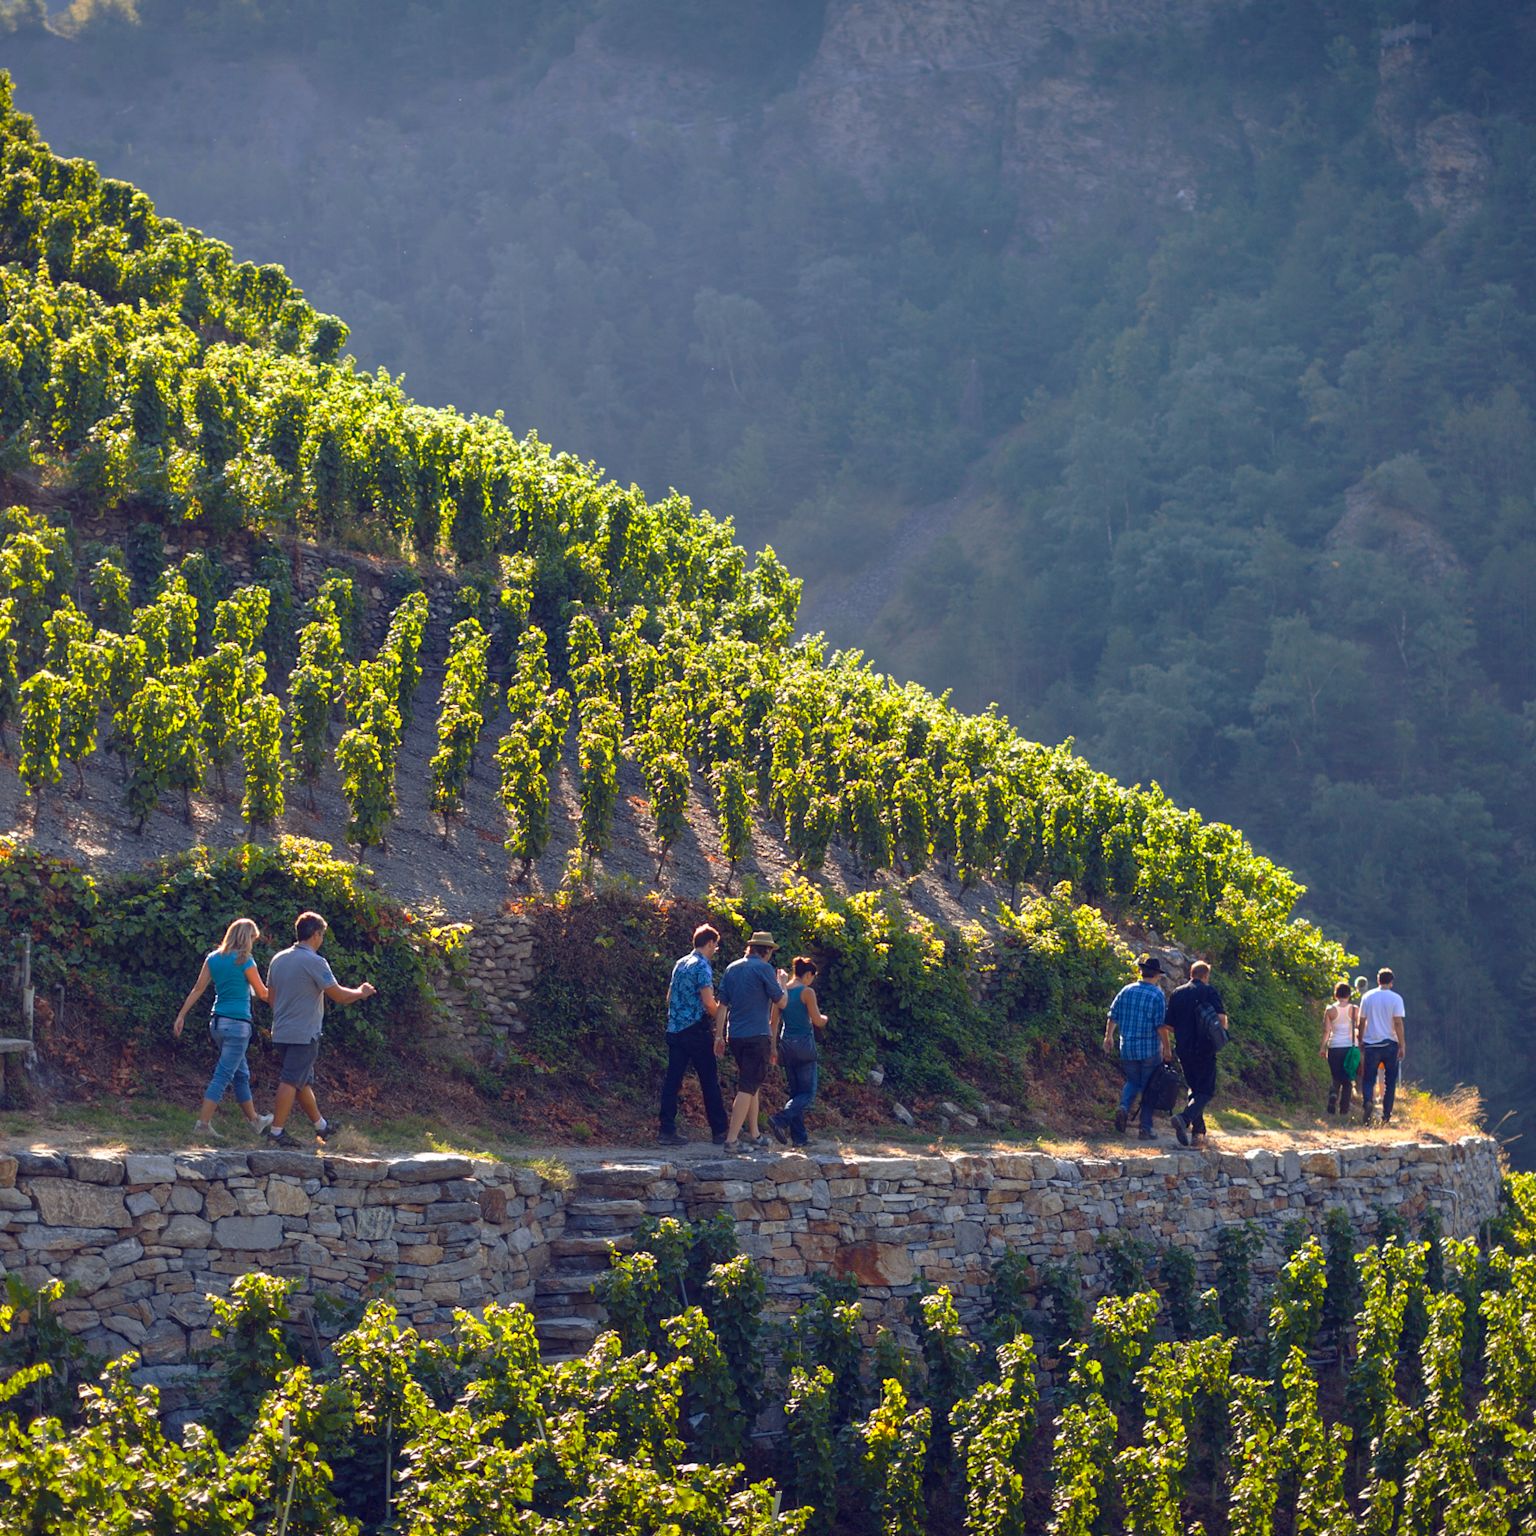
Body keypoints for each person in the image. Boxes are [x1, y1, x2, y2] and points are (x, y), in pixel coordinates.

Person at [261, 911, 376, 1145]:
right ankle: (276, 1133)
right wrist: (361, 993)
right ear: (315, 935)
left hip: (281, 1030)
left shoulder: (278, 959)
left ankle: (321, 1126)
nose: (322, 939)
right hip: (304, 1033)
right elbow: (340, 996)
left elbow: (271, 997)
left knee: (302, 1081)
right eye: (322, 935)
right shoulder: (315, 961)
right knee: (291, 1079)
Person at [173, 917, 275, 1141]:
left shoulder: (213, 959)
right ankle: (202, 1124)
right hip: (238, 1025)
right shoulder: (245, 960)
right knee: (223, 1074)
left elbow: (198, 989)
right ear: (245, 938)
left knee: (241, 1074)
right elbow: (264, 993)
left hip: (217, 1023)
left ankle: (256, 1121)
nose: (252, 944)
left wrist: (181, 1015)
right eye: (252, 939)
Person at [715, 930, 787, 1153]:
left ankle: (755, 1134)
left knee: (751, 1084)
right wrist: (783, 982)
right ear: (766, 951)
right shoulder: (764, 969)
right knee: (747, 1087)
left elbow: (722, 1006)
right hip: (757, 1036)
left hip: (735, 1035)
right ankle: (732, 1140)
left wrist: (718, 1035)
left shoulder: (732, 968)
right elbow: (782, 1002)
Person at [658, 924, 728, 1147]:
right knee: (709, 1081)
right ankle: (720, 1131)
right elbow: (708, 1002)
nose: (715, 949)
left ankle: (666, 1130)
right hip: (696, 1031)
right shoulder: (702, 966)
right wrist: (722, 1014)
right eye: (715, 945)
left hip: (675, 1029)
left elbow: (670, 997)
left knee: (672, 1080)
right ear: (709, 943)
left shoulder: (680, 963)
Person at [1104, 954, 1172, 1140]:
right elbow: (1160, 1025)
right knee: (1150, 1088)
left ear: (1141, 972)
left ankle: (1124, 1107)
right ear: (1157, 975)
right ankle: (1145, 1127)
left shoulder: (1126, 990)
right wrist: (1167, 1048)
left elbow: (1112, 1015)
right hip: (1149, 1048)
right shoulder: (1157, 994)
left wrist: (1108, 1037)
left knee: (1132, 1081)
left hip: (1127, 1047)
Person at [1166, 960, 1229, 1148]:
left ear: (1190, 973)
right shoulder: (1209, 991)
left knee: (1194, 1089)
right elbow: (1221, 1018)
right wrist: (1220, 1035)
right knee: (1206, 1090)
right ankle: (1184, 1118)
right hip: (1204, 1048)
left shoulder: (1177, 993)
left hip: (1184, 1049)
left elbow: (1168, 1024)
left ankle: (1198, 1135)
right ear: (1205, 976)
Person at [768, 956, 829, 1149]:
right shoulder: (807, 992)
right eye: (812, 977)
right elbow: (817, 1020)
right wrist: (825, 1019)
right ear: (809, 974)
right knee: (808, 1093)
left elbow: (773, 1022)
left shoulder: (782, 992)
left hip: (786, 1045)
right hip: (804, 1045)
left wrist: (773, 1047)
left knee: (795, 1093)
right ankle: (780, 1119)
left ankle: (799, 1137)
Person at [1358, 966, 1406, 1126]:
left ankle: (1367, 1102)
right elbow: (1398, 1023)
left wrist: (1361, 1040)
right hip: (1390, 1044)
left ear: (1378, 980)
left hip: (1371, 1044)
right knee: (1390, 1081)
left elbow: (1362, 1021)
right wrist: (1402, 1044)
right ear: (1391, 982)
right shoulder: (1396, 999)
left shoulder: (1367, 996)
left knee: (1368, 1078)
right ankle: (1386, 1115)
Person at [1320, 981, 1360, 1117]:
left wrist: (1323, 1048)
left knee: (1335, 1077)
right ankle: (1344, 1111)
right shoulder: (1355, 1009)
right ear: (1349, 994)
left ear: (1335, 994)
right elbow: (1359, 1028)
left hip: (1334, 1047)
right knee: (1348, 1081)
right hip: (1349, 1048)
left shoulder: (1330, 1009)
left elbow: (1326, 1030)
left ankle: (1333, 1094)